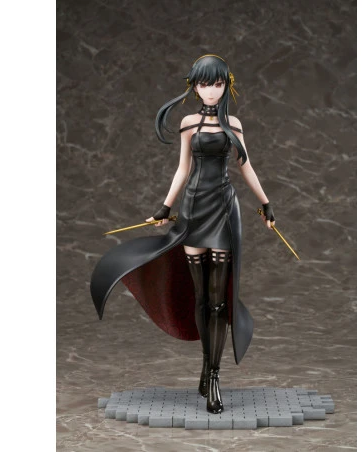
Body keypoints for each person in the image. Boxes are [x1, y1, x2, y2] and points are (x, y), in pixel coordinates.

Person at [90, 54, 275, 414]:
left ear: (226, 85)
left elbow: (246, 167)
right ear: (195, 86)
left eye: (218, 83)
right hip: (193, 210)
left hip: (223, 209)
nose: (212, 90)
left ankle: (214, 376)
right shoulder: (189, 123)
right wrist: (165, 206)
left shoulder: (234, 124)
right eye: (205, 84)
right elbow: (182, 169)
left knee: (219, 300)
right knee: (201, 298)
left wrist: (266, 203)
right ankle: (206, 365)